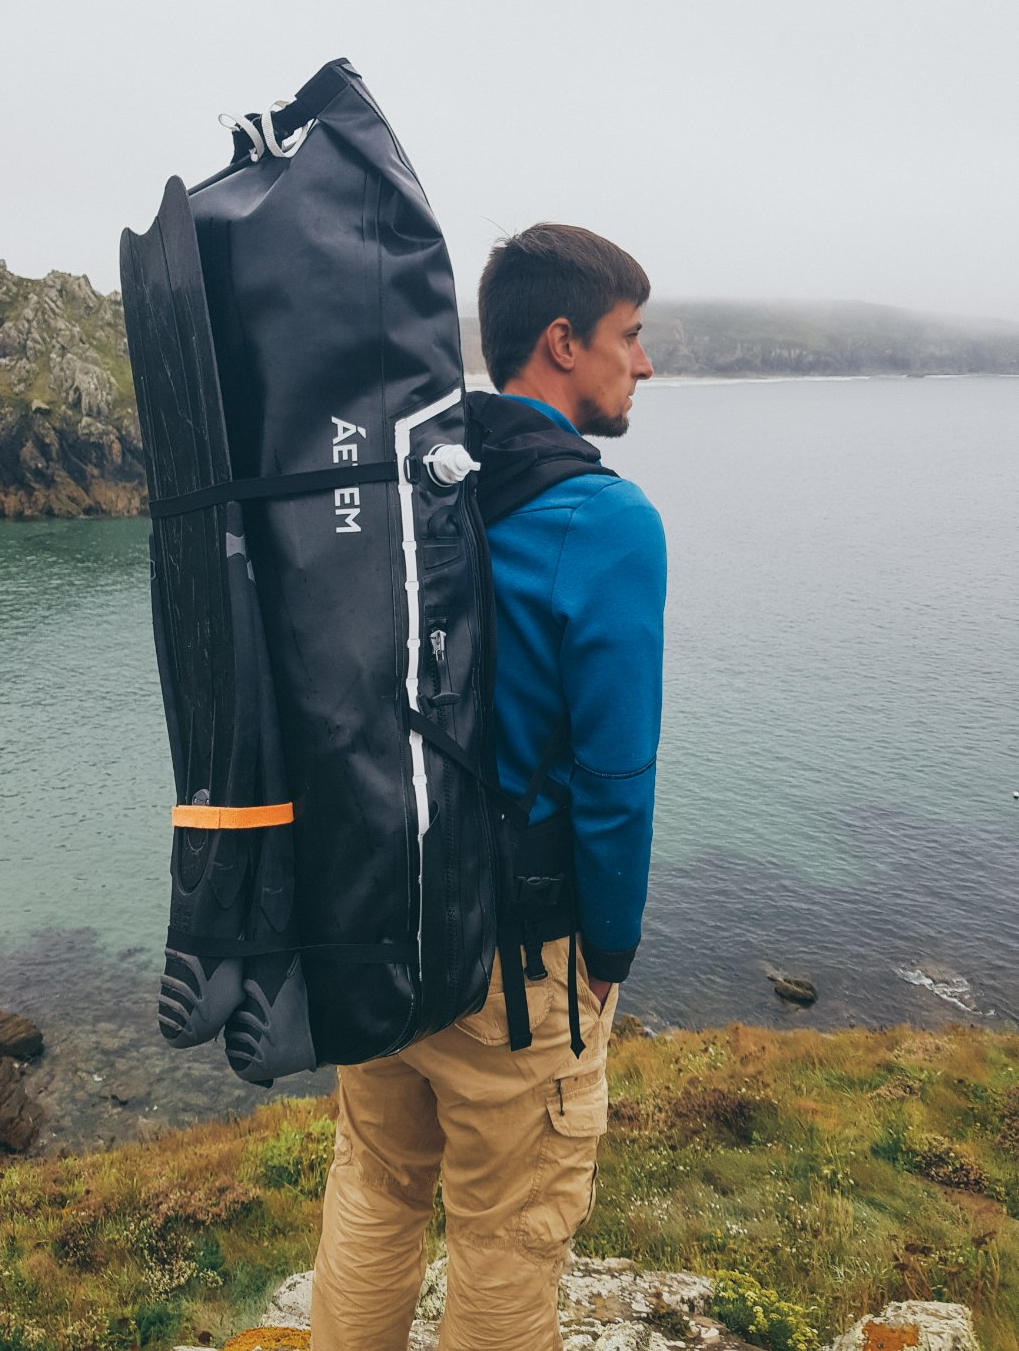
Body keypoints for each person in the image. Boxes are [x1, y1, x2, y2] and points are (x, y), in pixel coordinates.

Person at [310, 224, 666, 1351]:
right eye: (631, 337)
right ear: (561, 344)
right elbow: (614, 779)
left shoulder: (395, 483)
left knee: (373, 1189)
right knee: (508, 1236)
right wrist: (606, 954)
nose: (644, 365)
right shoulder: (604, 522)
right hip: (515, 971)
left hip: (379, 915)